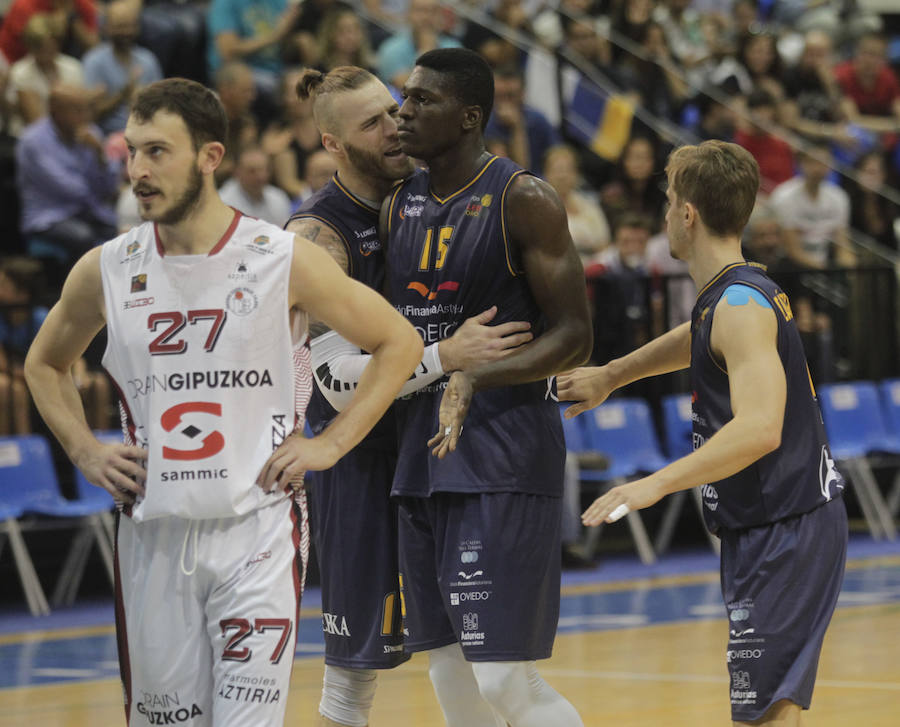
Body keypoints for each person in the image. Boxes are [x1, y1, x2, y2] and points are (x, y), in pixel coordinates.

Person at [23, 77, 423, 727]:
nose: (138, 170)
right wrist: (85, 450)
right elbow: (44, 363)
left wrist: (329, 444)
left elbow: (398, 342)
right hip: (153, 536)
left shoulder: (282, 257)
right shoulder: (105, 268)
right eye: (132, 150)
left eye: (158, 151)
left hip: (256, 532)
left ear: (210, 156)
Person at [558, 139, 848, 726]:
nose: (665, 213)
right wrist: (612, 375)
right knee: (767, 710)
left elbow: (760, 429)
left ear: (687, 214)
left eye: (669, 201)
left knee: (765, 713)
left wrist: (655, 483)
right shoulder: (731, 294)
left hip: (786, 524)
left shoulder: (740, 305)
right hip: (769, 523)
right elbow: (696, 335)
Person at [286, 64, 536, 727]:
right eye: (371, 123)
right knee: (353, 677)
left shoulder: (427, 195)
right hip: (357, 460)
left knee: (465, 653)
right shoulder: (317, 236)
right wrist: (446, 356)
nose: (394, 126)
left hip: (432, 453)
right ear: (333, 144)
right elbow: (334, 383)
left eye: (393, 109)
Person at [386, 48, 592, 727]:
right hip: (419, 458)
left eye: (422, 100)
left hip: (503, 455)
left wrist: (476, 374)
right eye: (403, 97)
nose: (403, 112)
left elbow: (575, 334)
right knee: (448, 672)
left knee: (504, 677)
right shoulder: (398, 205)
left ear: (469, 116)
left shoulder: (523, 198)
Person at [15, 82, 118, 259]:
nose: (85, 117)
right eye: (77, 110)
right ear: (55, 111)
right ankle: (76, 278)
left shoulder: (91, 134)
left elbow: (110, 186)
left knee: (121, 232)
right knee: (83, 236)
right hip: (49, 217)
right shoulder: (33, 142)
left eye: (86, 110)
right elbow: (70, 189)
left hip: (86, 210)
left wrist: (100, 154)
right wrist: (98, 190)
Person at [81, 0, 163, 137]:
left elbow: (160, 106)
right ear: (106, 28)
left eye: (130, 26)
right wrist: (122, 95)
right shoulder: (94, 61)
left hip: (146, 132)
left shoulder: (148, 60)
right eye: (120, 26)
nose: (126, 32)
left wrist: (141, 100)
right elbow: (91, 115)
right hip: (107, 135)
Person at [219, 145, 292, 225]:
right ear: (237, 172)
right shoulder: (223, 202)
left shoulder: (278, 197)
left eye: (264, 170)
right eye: (252, 171)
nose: (261, 176)